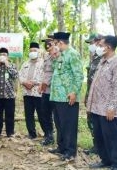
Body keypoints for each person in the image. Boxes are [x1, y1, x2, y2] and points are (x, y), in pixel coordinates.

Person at [87, 35, 117, 170]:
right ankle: (106, 160)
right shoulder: (102, 62)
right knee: (100, 137)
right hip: (96, 108)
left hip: (108, 110)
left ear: (108, 47)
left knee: (113, 138)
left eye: (100, 45)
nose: (98, 48)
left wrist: (112, 107)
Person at [48, 32, 83, 161]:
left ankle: (70, 151)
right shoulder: (61, 55)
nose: (54, 46)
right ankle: (61, 147)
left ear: (60, 43)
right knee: (59, 124)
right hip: (57, 96)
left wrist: (74, 92)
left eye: (55, 43)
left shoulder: (72, 54)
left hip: (67, 96)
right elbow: (57, 71)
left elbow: (78, 75)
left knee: (68, 125)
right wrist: (54, 56)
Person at [0, 47, 18, 138]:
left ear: (8, 56)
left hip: (9, 96)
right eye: (1, 55)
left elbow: (15, 75)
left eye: (4, 55)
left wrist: (7, 65)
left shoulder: (12, 65)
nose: (3, 57)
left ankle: (10, 133)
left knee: (10, 115)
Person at [19, 42, 44, 139]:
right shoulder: (25, 63)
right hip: (27, 92)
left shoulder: (43, 63)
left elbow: (45, 77)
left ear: (38, 51)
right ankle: (31, 133)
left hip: (38, 92)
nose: (32, 52)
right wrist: (24, 82)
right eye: (31, 51)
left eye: (34, 50)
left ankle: (47, 133)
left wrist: (33, 82)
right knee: (28, 114)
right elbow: (20, 75)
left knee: (41, 114)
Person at [84, 33, 102, 154]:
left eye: (92, 43)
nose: (91, 45)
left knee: (99, 123)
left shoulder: (104, 58)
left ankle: (101, 147)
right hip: (91, 95)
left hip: (100, 97)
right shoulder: (94, 57)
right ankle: (96, 146)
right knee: (91, 121)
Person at [39, 36, 55, 145]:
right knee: (45, 113)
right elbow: (45, 72)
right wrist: (42, 84)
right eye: (45, 42)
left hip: (54, 90)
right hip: (45, 91)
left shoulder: (56, 56)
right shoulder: (46, 56)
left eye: (49, 42)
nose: (47, 44)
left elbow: (54, 73)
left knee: (56, 115)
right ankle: (49, 135)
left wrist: (45, 83)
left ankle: (54, 136)